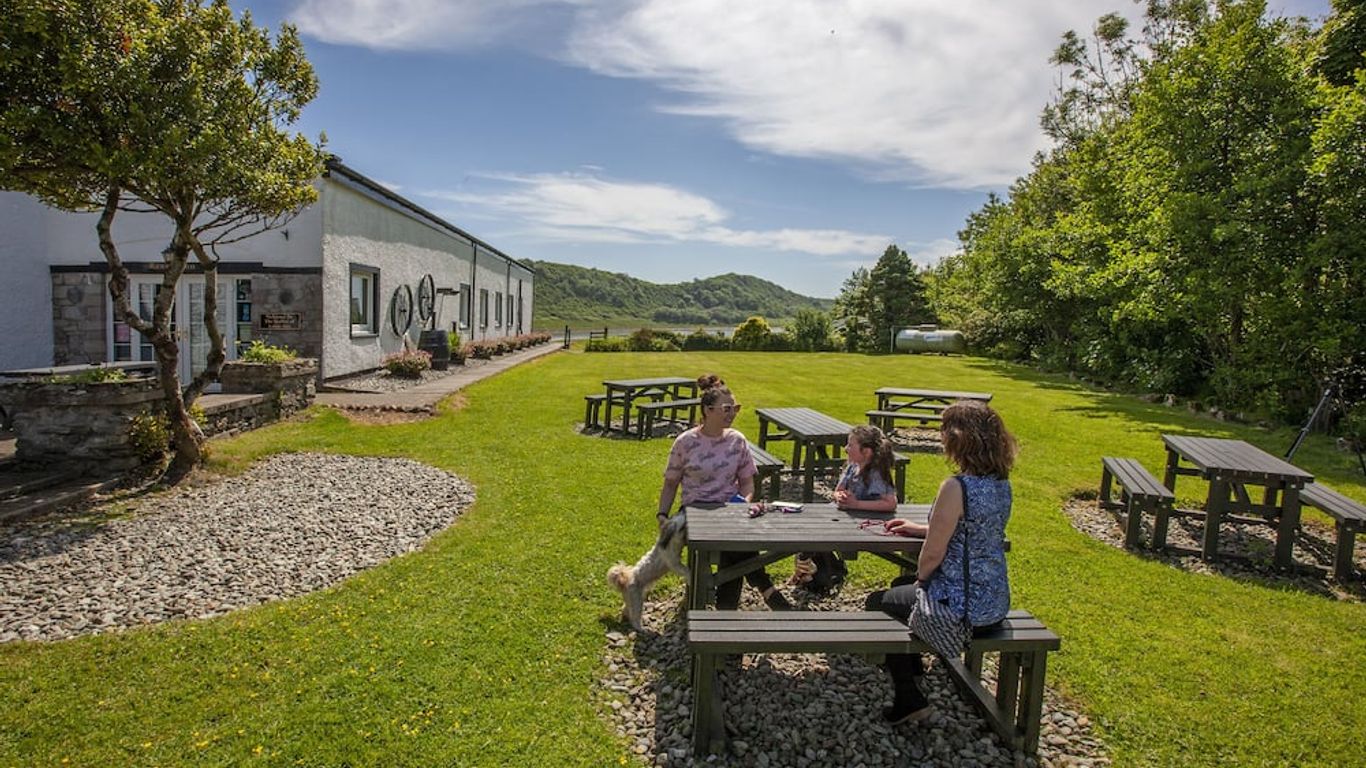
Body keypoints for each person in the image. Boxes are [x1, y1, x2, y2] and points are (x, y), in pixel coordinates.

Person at [865, 400, 1016, 724]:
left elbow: (932, 555)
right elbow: (973, 529)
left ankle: (909, 697)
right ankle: (914, 666)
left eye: (944, 430)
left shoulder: (955, 486)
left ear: (959, 438)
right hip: (993, 603)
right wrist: (921, 528)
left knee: (879, 602)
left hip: (962, 610)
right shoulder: (1001, 484)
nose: (941, 436)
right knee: (899, 586)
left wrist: (922, 580)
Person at [658, 374, 791, 611]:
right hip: (694, 511)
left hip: (729, 508)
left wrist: (743, 503)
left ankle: (726, 609)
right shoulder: (685, 442)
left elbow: (747, 482)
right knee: (735, 544)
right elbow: (670, 483)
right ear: (708, 410)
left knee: (735, 541)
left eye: (735, 408)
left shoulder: (737, 440)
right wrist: (662, 515)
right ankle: (763, 590)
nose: (733, 414)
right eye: (727, 409)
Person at [796, 425, 899, 593]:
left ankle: (813, 567)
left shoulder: (875, 473)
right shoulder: (852, 466)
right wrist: (840, 497)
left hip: (865, 523)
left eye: (850, 445)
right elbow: (838, 491)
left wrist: (857, 504)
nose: (845, 449)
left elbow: (890, 503)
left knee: (817, 535)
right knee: (809, 524)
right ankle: (810, 566)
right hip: (844, 516)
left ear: (866, 452)